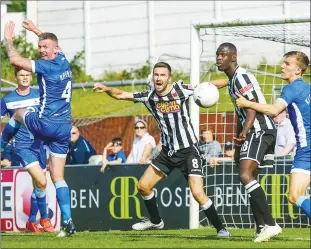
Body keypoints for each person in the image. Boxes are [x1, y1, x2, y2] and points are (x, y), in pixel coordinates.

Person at [93, 61, 230, 237]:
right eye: (156, 75)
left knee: (197, 192)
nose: (159, 78)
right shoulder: (149, 96)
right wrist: (107, 89)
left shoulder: (181, 90)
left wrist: (230, 79)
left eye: (162, 75)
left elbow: (207, 86)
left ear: (169, 78)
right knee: (143, 186)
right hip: (167, 152)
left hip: (188, 150)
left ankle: (221, 228)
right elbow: (121, 95)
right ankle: (156, 221)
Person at [2, 20, 76, 236]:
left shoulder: (46, 66)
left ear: (55, 49)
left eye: (45, 48)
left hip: (45, 124)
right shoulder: (63, 60)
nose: (42, 50)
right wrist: (36, 31)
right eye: (40, 47)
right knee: (58, 177)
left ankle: (1, 145)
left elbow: (14, 59)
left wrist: (8, 39)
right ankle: (68, 222)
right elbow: (51, 43)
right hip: (64, 127)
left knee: (18, 113)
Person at [214, 42, 281, 242]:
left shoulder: (240, 77)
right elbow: (241, 113)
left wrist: (244, 133)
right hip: (257, 130)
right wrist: (237, 144)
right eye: (217, 54)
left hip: (259, 129)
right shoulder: (233, 79)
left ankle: (270, 223)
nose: (219, 58)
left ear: (233, 57)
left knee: (245, 175)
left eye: (223, 54)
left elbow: (251, 108)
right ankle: (261, 228)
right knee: (250, 179)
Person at [236, 51, 310, 224]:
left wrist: (248, 103)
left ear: (298, 70)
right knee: (295, 196)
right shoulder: (307, 88)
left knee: (295, 196)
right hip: (306, 149)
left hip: (306, 150)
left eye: (288, 64)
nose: (282, 66)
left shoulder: (292, 88)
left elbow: (275, 110)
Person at [1, 68, 53, 232]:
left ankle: (31, 221)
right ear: (15, 77)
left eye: (28, 75)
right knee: (42, 181)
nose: (25, 78)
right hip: (22, 146)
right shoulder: (7, 100)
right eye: (21, 75)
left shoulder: (40, 95)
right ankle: (44, 219)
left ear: (31, 77)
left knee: (39, 185)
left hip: (40, 145)